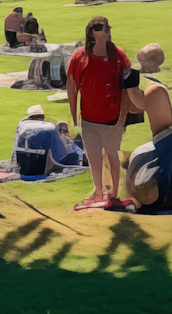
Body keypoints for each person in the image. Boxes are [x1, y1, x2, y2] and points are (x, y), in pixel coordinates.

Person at [67, 16, 130, 203]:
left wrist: (123, 116)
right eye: (103, 28)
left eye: (108, 28)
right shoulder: (80, 58)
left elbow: (127, 89)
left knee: (112, 156)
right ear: (93, 33)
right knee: (93, 157)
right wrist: (74, 116)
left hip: (112, 119)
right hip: (89, 118)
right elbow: (72, 87)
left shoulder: (119, 56)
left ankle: (115, 193)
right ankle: (97, 190)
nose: (108, 31)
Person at [13, 104, 80, 175]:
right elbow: (58, 149)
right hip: (50, 159)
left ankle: (66, 140)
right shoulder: (49, 128)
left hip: (25, 160)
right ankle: (66, 140)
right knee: (71, 145)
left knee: (70, 144)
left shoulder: (22, 125)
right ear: (42, 116)